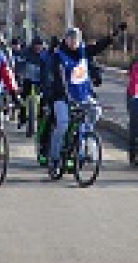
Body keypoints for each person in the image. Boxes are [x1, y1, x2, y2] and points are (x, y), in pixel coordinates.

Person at [48, 24, 125, 174]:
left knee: (96, 111)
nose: (73, 42)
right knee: (63, 124)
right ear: (66, 40)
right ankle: (55, 159)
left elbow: (99, 46)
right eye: (70, 39)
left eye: (76, 39)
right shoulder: (59, 56)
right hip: (63, 97)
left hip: (83, 96)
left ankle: (85, 139)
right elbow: (59, 79)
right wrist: (66, 96)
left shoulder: (84, 52)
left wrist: (114, 34)